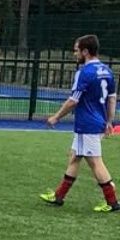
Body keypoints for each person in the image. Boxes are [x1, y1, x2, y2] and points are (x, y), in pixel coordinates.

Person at [41, 35, 118, 212]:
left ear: (85, 51)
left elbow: (73, 101)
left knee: (95, 162)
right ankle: (59, 196)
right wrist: (109, 121)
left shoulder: (84, 72)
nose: (74, 53)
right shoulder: (107, 70)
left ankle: (112, 202)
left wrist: (56, 117)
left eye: (76, 50)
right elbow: (112, 99)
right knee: (75, 156)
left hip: (87, 124)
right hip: (97, 121)